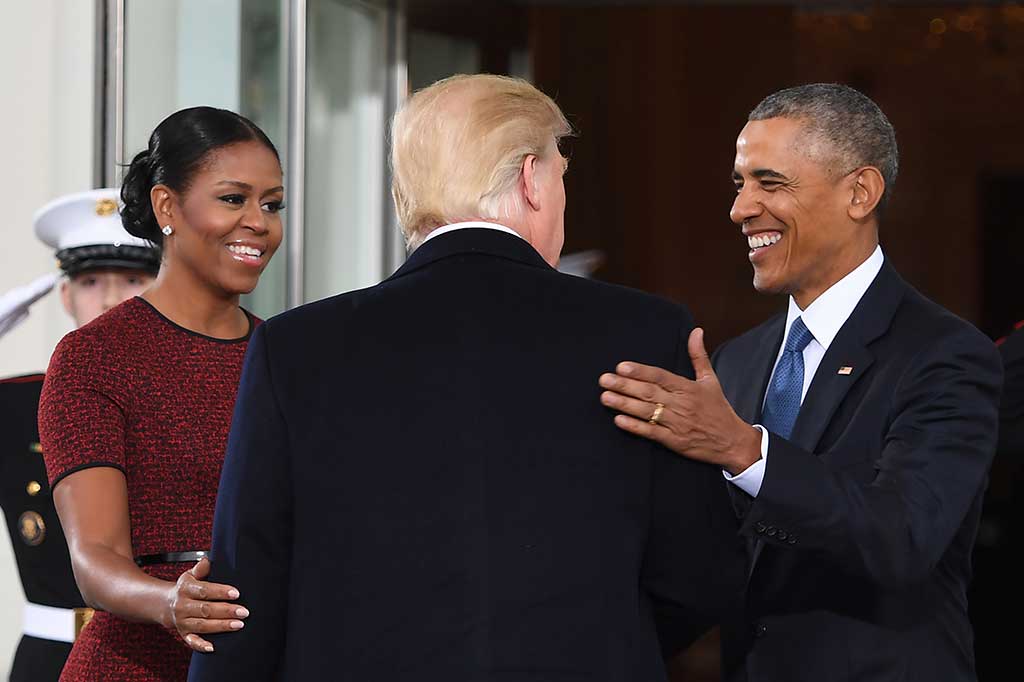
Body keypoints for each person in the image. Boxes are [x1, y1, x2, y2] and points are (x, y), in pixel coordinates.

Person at [187, 74, 744, 682]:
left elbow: (244, 595)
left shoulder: (294, 348)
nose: (562, 198)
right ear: (531, 178)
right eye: (562, 177)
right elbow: (699, 573)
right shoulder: (644, 333)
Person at [598, 83, 1002, 681]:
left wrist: (744, 450)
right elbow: (709, 565)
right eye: (740, 185)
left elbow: (904, 538)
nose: (740, 209)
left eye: (771, 182)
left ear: (860, 192)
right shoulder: (735, 362)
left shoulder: (944, 354)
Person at [37, 106, 284, 681]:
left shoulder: (289, 356)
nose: (258, 222)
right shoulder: (95, 357)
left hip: (264, 661)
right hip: (135, 666)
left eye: (271, 204)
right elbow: (94, 558)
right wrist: (168, 602)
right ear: (167, 206)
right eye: (233, 199)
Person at [0, 188, 159, 682]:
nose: (111, 298)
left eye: (133, 279)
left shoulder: (195, 393)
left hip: (162, 656)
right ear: (64, 295)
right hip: (50, 661)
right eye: (90, 281)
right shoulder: (16, 403)